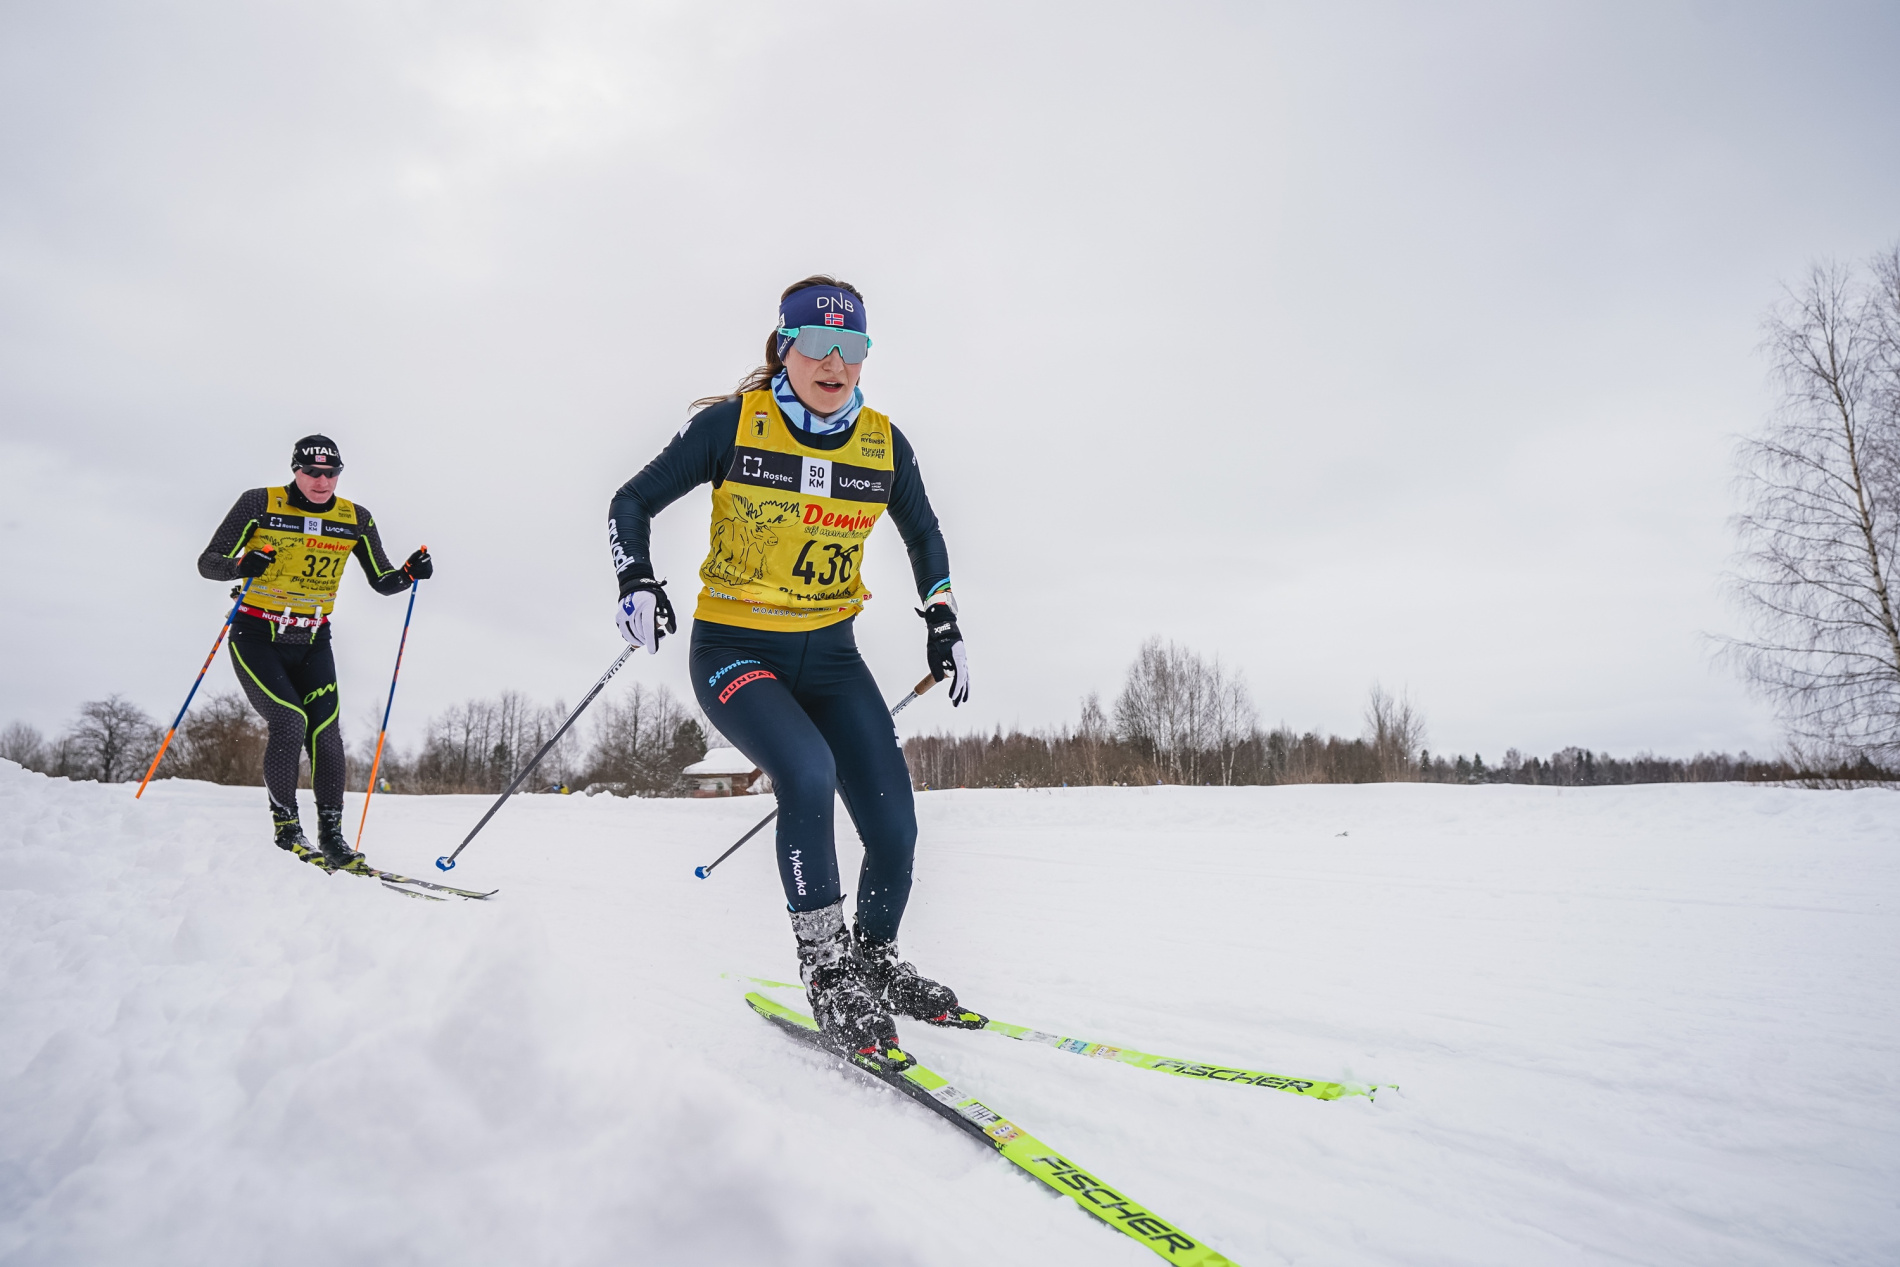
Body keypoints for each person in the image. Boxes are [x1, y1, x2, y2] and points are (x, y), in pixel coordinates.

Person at [607, 276, 976, 1065]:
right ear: (785, 345)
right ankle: (827, 967)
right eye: (818, 343)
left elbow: (924, 534)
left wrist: (942, 617)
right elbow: (630, 500)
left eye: (853, 347)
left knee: (896, 825)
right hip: (737, 650)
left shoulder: (881, 442)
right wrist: (634, 577)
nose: (835, 362)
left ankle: (874, 958)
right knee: (806, 773)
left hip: (833, 657)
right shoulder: (735, 426)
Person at [196, 435, 432, 869]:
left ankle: (333, 836)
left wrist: (410, 573)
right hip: (257, 632)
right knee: (289, 721)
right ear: (295, 471)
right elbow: (209, 561)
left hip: (311, 637)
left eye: (331, 473)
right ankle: (287, 828)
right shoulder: (258, 504)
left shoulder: (354, 519)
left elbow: (383, 580)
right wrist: (240, 566)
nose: (322, 481)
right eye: (312, 473)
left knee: (325, 731)